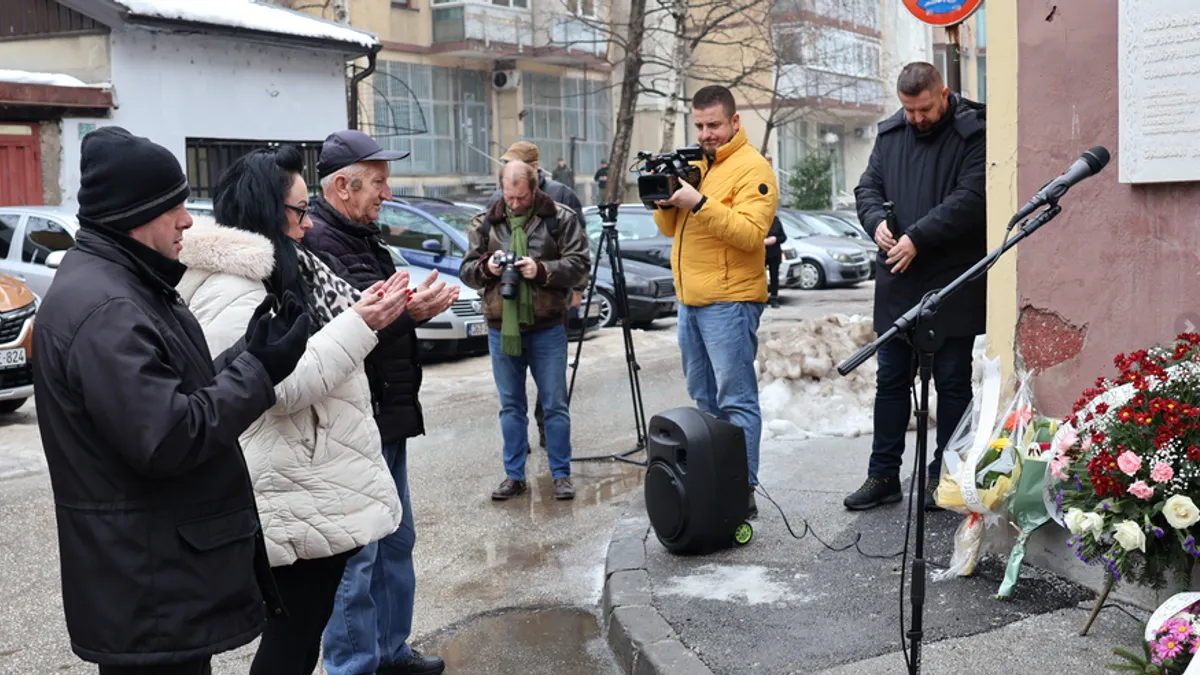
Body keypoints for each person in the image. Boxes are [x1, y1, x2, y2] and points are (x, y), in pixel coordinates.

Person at [31, 126, 310, 675]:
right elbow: (166, 437)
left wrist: (244, 357)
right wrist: (258, 372)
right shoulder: (108, 307)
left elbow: (169, 396)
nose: (188, 220)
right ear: (134, 214)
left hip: (152, 576)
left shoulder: (125, 283)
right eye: (174, 207)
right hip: (147, 581)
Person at [177, 146, 410, 675]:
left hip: (306, 482)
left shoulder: (280, 268)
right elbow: (275, 383)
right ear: (268, 212)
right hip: (286, 487)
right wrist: (362, 323)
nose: (307, 224)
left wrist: (372, 316)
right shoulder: (233, 284)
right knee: (292, 638)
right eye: (300, 211)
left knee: (303, 634)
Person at [304, 130, 456, 675]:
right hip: (352, 424)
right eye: (378, 182)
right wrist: (408, 314)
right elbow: (347, 330)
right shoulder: (319, 242)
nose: (386, 193)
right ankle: (353, 666)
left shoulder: (362, 236)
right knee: (359, 555)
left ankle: (390, 653)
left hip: (385, 417)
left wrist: (410, 310)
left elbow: (379, 314)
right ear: (343, 186)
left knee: (395, 540)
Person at [844, 61, 986, 512]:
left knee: (951, 381)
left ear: (943, 94)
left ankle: (944, 476)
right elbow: (867, 188)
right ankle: (882, 474)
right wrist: (876, 224)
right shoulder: (890, 137)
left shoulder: (974, 133)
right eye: (909, 110)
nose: (917, 118)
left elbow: (972, 199)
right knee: (890, 382)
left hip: (952, 280)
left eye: (924, 109)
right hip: (899, 279)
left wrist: (916, 237)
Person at [652, 85, 777, 520]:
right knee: (704, 399)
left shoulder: (752, 167)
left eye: (714, 125)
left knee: (736, 400)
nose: (706, 133)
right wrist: (666, 199)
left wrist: (699, 201)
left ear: (735, 122)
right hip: (691, 299)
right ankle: (713, 483)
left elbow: (749, 235)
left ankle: (743, 490)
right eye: (700, 125)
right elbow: (671, 230)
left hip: (730, 301)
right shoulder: (697, 164)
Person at [460, 160, 591, 502]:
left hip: (547, 326)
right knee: (511, 406)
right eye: (509, 197)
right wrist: (486, 268)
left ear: (534, 189)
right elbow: (465, 272)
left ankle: (561, 475)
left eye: (521, 197)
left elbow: (580, 266)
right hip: (501, 326)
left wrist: (542, 269)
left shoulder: (560, 218)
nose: (514, 204)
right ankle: (514, 475)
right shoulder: (485, 221)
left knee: (554, 405)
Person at [486, 141, 585, 222]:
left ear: (534, 167)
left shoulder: (562, 194)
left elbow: (577, 238)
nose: (512, 171)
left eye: (518, 166)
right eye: (507, 164)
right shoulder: (496, 200)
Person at [764, 215, 787, 308]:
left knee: (774, 277)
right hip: (761, 254)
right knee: (761, 277)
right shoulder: (758, 218)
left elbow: (783, 237)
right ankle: (762, 298)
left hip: (774, 253)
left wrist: (776, 239)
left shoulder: (775, 220)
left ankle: (774, 298)